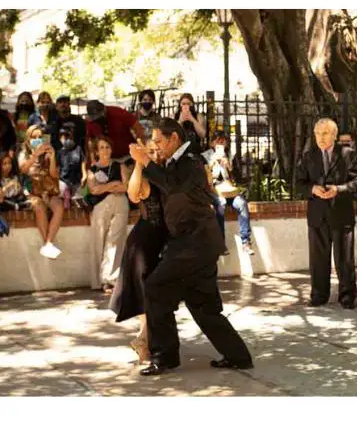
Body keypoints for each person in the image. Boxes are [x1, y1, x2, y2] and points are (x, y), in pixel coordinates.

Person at [129, 118, 253, 376]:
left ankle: (165, 357)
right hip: (194, 245)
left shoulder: (191, 161)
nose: (158, 147)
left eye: (160, 141)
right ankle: (238, 356)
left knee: (155, 287)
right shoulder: (175, 163)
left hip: (193, 244)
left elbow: (172, 185)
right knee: (203, 306)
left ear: (174, 138)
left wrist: (145, 161)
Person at [294, 118, 357, 308]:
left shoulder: (347, 154)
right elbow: (298, 184)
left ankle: (347, 296)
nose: (321, 137)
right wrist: (312, 190)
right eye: (318, 133)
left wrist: (339, 189)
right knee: (318, 259)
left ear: (334, 135)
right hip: (317, 215)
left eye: (325, 133)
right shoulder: (308, 156)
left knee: (345, 260)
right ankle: (319, 295)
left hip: (341, 213)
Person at [110, 139, 168, 363]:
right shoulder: (143, 177)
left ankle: (145, 341)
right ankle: (144, 339)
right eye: (149, 151)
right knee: (144, 292)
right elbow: (133, 196)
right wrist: (138, 163)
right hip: (143, 242)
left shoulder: (166, 174)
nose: (153, 154)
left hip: (162, 241)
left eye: (156, 150)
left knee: (153, 293)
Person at [86, 136, 130, 291]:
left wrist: (104, 187)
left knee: (115, 240)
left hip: (120, 203)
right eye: (102, 147)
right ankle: (97, 280)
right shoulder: (92, 170)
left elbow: (126, 187)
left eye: (108, 147)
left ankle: (109, 279)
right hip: (101, 206)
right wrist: (113, 184)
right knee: (99, 240)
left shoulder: (120, 166)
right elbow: (93, 189)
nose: (105, 150)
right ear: (97, 151)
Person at [204, 132, 254, 255]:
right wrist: (212, 164)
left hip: (229, 190)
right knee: (220, 204)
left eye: (223, 141)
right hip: (214, 190)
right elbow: (203, 179)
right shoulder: (205, 156)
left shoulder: (230, 156)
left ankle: (245, 241)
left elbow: (239, 179)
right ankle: (221, 243)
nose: (220, 143)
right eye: (217, 141)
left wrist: (230, 168)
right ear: (212, 143)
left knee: (242, 203)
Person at [19, 124, 64, 259]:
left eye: (40, 137)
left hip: (48, 191)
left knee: (59, 206)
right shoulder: (23, 154)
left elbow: (54, 175)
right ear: (28, 139)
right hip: (31, 192)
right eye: (34, 137)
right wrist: (34, 156)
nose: (37, 139)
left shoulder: (48, 152)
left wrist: (52, 157)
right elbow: (23, 170)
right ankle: (47, 243)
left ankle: (48, 243)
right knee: (39, 207)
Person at [85, 100, 147, 164]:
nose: (98, 119)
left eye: (100, 116)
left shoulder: (118, 113)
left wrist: (142, 148)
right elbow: (91, 142)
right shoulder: (89, 122)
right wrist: (93, 160)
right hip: (106, 159)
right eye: (95, 119)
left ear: (104, 110)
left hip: (127, 156)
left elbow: (137, 127)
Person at [56, 122, 85, 203]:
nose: (67, 140)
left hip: (77, 181)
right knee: (63, 194)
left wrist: (85, 176)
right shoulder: (59, 152)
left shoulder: (79, 149)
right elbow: (57, 169)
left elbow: (83, 163)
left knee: (80, 198)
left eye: (70, 137)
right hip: (63, 180)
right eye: (64, 137)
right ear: (60, 139)